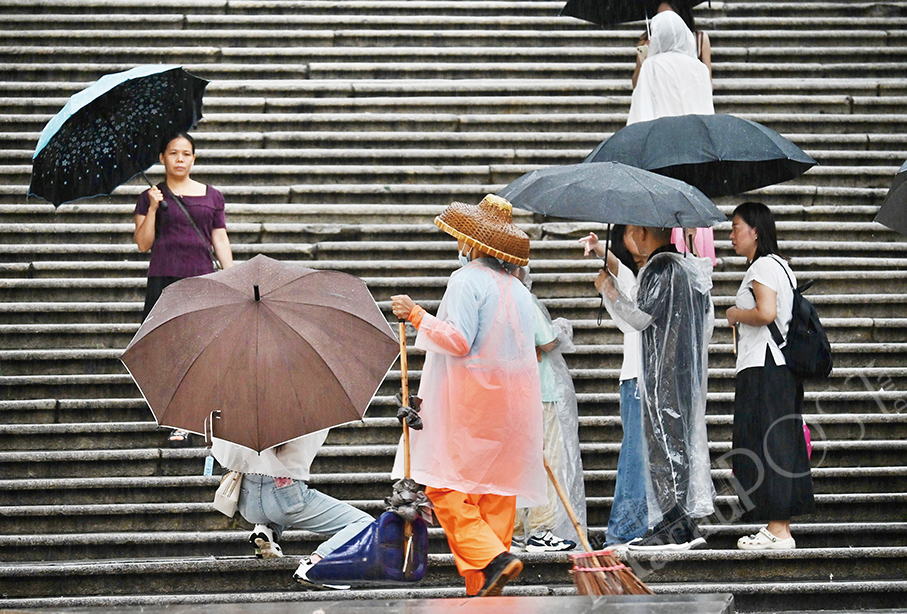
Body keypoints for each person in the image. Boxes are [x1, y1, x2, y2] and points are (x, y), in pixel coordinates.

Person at [390, 194, 546, 597]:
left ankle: (491, 559)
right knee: (495, 490)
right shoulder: (518, 290)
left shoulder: (466, 280)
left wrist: (416, 315)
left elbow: (458, 340)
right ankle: (483, 584)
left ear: (473, 243)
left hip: (469, 401)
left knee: (444, 485)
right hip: (512, 405)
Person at [595, 225, 715, 550]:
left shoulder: (659, 268)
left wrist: (610, 290)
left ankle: (673, 523)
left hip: (662, 377)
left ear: (643, 232)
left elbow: (637, 319)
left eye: (632, 232)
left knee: (663, 446)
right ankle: (680, 520)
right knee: (678, 445)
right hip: (685, 375)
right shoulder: (688, 268)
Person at [133, 132, 234, 446]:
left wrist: (233, 278)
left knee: (200, 349)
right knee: (170, 351)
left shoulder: (212, 196)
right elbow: (142, 243)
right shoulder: (150, 195)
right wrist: (152, 207)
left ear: (194, 158)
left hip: (202, 281)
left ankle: (197, 415)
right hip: (164, 280)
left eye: (186, 153)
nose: (180, 159)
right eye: (173, 153)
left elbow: (220, 239)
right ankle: (178, 416)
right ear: (162, 158)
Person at [725, 202, 815, 549]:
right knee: (779, 442)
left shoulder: (762, 266)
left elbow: (765, 312)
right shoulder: (781, 266)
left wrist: (734, 312)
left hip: (765, 367)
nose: (731, 235)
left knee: (768, 443)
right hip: (780, 368)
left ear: (756, 231)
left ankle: (778, 528)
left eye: (736, 227)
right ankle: (779, 527)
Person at [211, 430, 375, 588]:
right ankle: (318, 564)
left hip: (247, 500)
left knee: (278, 510)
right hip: (284, 496)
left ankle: (267, 530)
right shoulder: (292, 416)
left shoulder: (239, 416)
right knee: (367, 525)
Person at [629, 5, 716, 265]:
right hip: (693, 146)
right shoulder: (698, 68)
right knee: (689, 203)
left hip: (660, 148)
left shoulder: (652, 66)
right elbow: (706, 108)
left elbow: (640, 110)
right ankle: (694, 255)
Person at [579, 228, 649, 547]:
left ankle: (624, 530)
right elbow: (620, 269)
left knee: (635, 455)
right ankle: (627, 527)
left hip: (640, 377)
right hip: (634, 378)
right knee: (635, 453)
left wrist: (608, 283)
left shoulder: (650, 276)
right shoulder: (640, 276)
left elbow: (622, 277)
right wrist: (598, 250)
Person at [510, 266, 585, 554]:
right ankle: (540, 530)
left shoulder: (496, 300)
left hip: (514, 392)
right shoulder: (523, 299)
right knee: (549, 460)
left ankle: (516, 530)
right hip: (540, 391)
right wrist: (561, 330)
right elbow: (548, 341)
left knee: (519, 463)